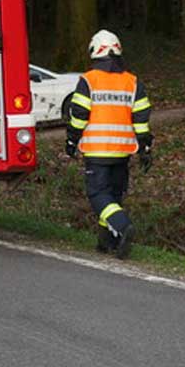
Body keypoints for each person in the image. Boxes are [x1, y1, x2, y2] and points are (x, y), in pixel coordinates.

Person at [65, 30, 153, 259]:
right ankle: (108, 241)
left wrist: (72, 140)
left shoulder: (89, 80)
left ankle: (122, 226)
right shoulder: (132, 82)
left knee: (98, 194)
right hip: (123, 150)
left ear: (95, 51)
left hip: (97, 150)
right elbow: (141, 118)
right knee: (113, 195)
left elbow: (79, 115)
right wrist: (145, 148)